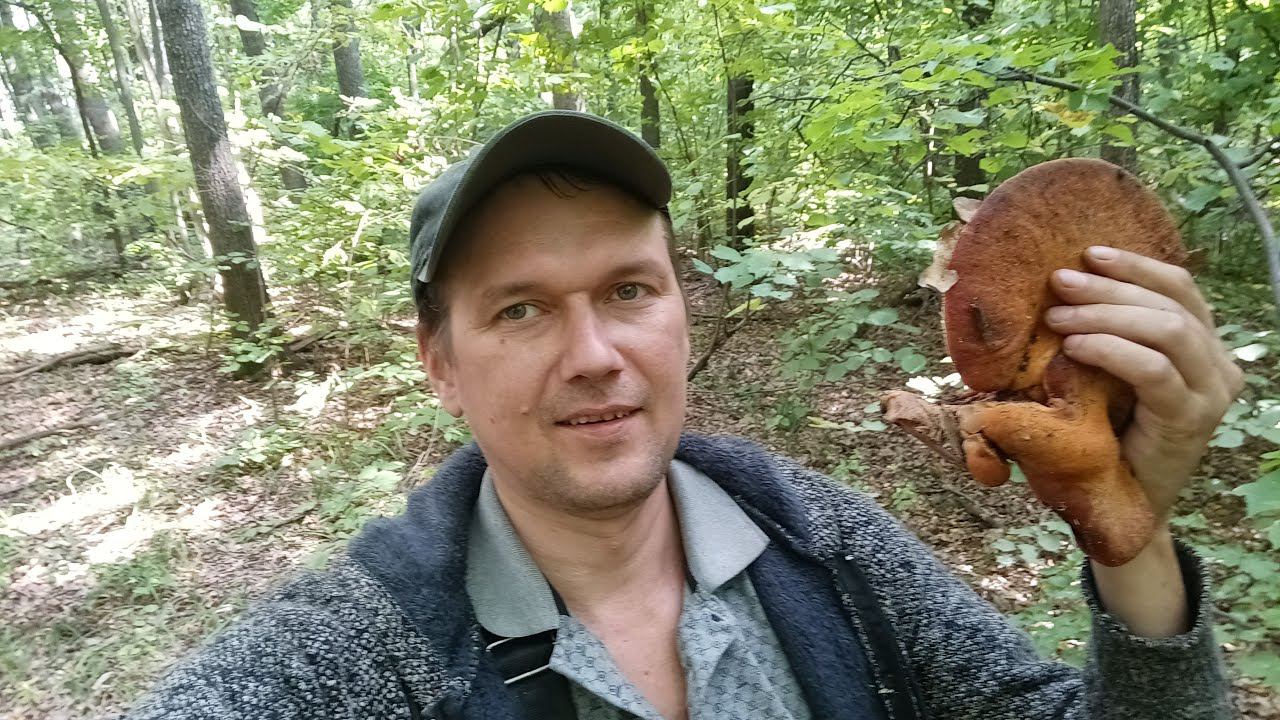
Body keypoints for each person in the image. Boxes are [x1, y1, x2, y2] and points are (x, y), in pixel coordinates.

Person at [126, 111, 1241, 720]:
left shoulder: (823, 544)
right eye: (520, 309)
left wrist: (1124, 524)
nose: (593, 356)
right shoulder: (358, 652)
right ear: (441, 366)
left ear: (677, 308)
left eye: (628, 290)